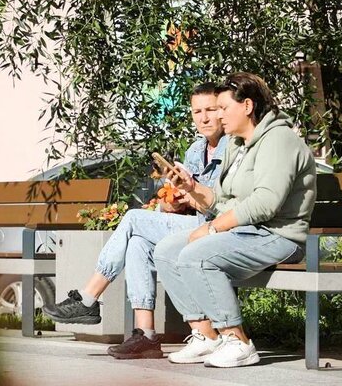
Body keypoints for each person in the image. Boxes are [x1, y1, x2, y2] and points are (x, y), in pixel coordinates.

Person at [44, 83, 229, 360]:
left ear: (223, 110)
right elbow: (183, 201)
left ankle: (89, 297)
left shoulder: (233, 148)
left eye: (210, 110)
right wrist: (172, 201)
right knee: (138, 243)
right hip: (196, 225)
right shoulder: (195, 150)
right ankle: (146, 335)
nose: (203, 118)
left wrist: (190, 195)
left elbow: (223, 204)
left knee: (132, 218)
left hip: (219, 229)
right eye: (197, 112)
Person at [154, 72, 317, 368]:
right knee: (166, 250)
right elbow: (221, 199)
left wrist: (212, 228)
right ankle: (206, 336)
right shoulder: (238, 145)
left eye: (223, 108)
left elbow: (266, 203)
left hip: (278, 236)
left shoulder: (279, 140)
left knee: (196, 255)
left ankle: (237, 341)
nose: (218, 115)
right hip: (246, 232)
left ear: (248, 106)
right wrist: (191, 188)